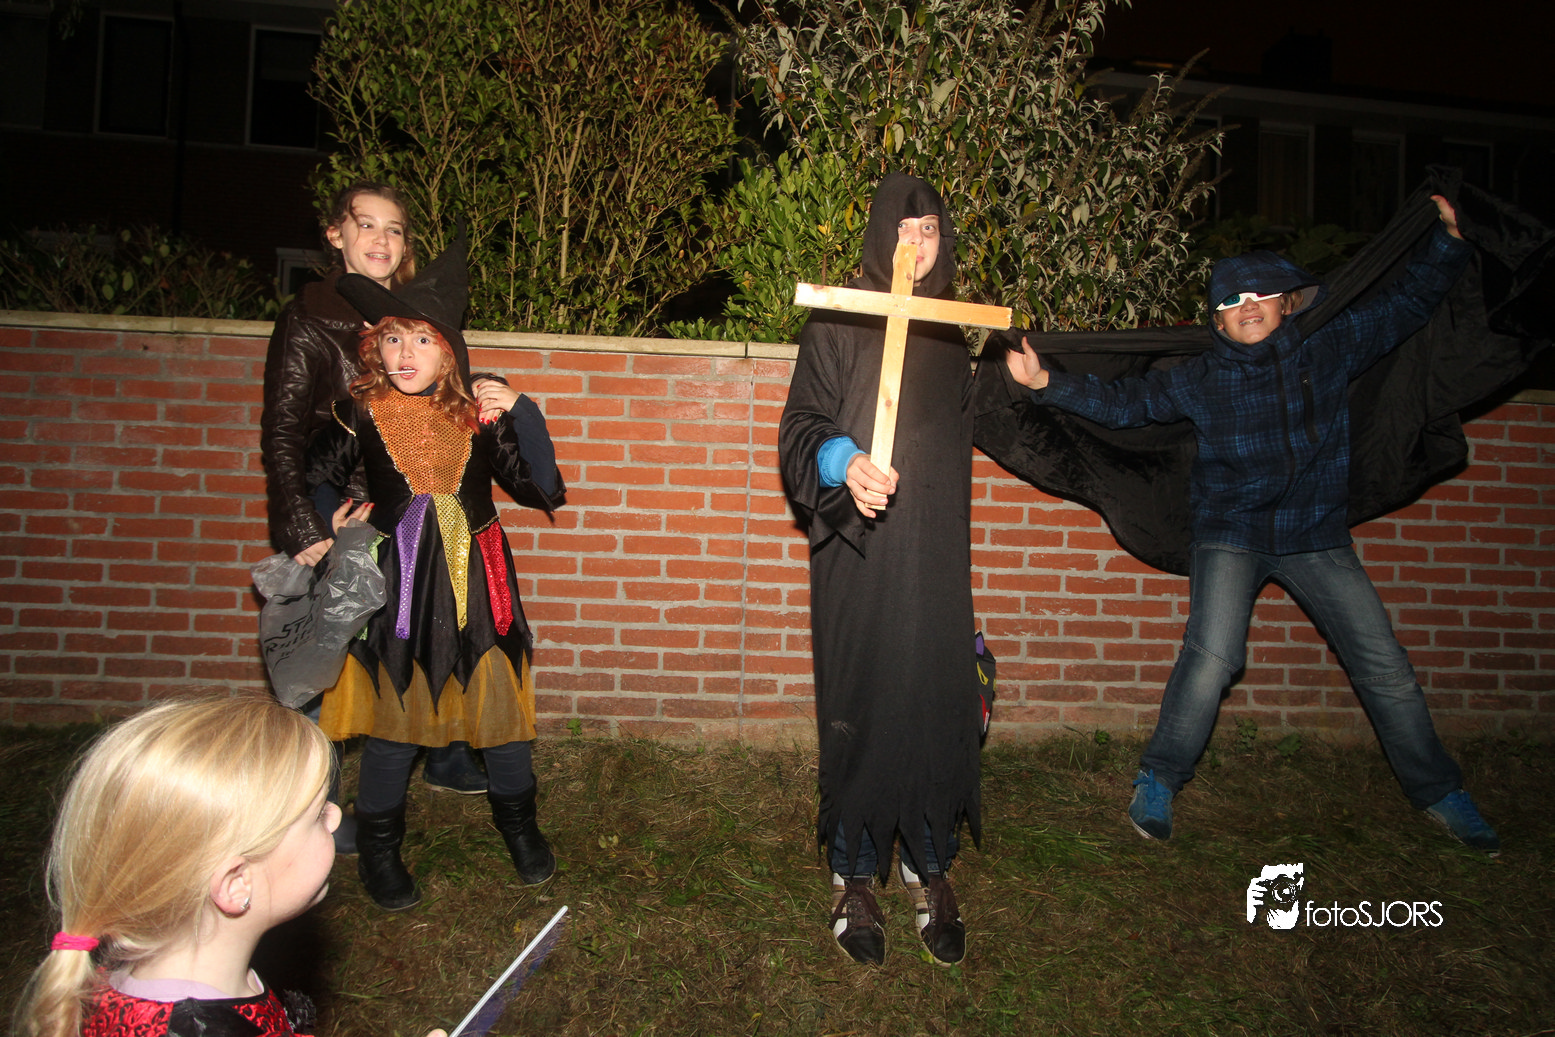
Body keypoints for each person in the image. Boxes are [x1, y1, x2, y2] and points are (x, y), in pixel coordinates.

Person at [1003, 194, 1500, 855]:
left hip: (1314, 533)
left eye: (1260, 293)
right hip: (1230, 531)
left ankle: (1439, 790)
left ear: (1287, 301)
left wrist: (1447, 242)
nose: (1248, 305)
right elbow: (1126, 403)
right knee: (1212, 658)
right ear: (1218, 319)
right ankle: (1158, 779)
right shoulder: (1202, 378)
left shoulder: (1329, 348)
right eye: (1232, 301)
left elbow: (1405, 305)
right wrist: (1046, 383)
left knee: (1384, 664)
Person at [307, 238, 566, 911]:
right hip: (398, 584)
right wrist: (328, 518)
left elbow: (543, 487)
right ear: (376, 347)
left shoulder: (478, 415)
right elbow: (316, 471)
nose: (405, 353)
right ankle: (380, 850)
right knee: (393, 718)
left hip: (479, 581)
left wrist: (523, 411)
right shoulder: (361, 409)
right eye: (393, 338)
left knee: (500, 711)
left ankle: (521, 830)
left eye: (422, 339)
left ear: (449, 351)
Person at [778, 173, 982, 966]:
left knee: (934, 690)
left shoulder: (951, 331)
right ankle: (855, 869)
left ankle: (927, 859)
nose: (916, 243)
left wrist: (1033, 382)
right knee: (862, 695)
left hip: (932, 550)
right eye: (903, 228)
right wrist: (844, 461)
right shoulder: (839, 316)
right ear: (877, 236)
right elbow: (801, 423)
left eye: (929, 229)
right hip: (857, 547)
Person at [12, 692, 449, 1037]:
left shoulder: (172, 983)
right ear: (236, 883)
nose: (337, 817)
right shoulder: (195, 1027)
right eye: (318, 815)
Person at [260, 181, 489, 808]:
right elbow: (284, 428)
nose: (381, 240)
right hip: (342, 506)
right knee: (334, 651)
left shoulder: (414, 312)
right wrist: (304, 522)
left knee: (433, 620)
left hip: (410, 506)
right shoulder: (310, 315)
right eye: (366, 224)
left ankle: (443, 750)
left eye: (394, 229)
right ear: (336, 234)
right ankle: (313, 806)